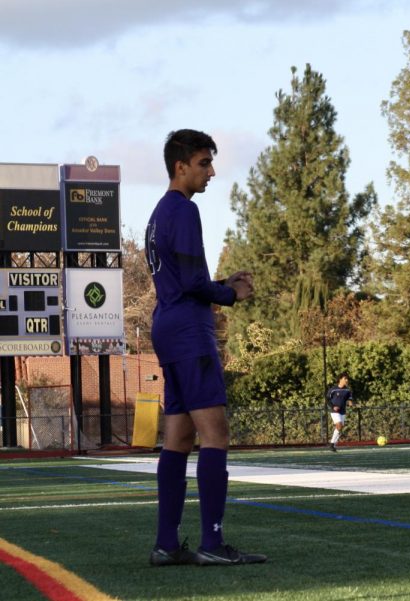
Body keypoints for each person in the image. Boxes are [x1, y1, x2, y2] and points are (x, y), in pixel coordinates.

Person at [146, 129, 266, 567]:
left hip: (167, 326)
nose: (211, 172)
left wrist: (222, 284)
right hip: (189, 333)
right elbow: (195, 284)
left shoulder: (159, 213)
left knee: (177, 438)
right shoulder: (184, 211)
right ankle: (212, 544)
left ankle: (165, 543)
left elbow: (186, 281)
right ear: (181, 166)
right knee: (216, 434)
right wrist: (233, 294)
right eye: (203, 164)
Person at [325, 372, 353, 451]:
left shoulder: (348, 390)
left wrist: (351, 403)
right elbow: (327, 399)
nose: (347, 380)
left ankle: (332, 444)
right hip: (334, 411)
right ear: (340, 379)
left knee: (339, 428)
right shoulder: (333, 389)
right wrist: (333, 407)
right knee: (339, 425)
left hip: (343, 411)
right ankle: (332, 444)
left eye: (347, 379)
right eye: (345, 379)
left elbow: (350, 399)